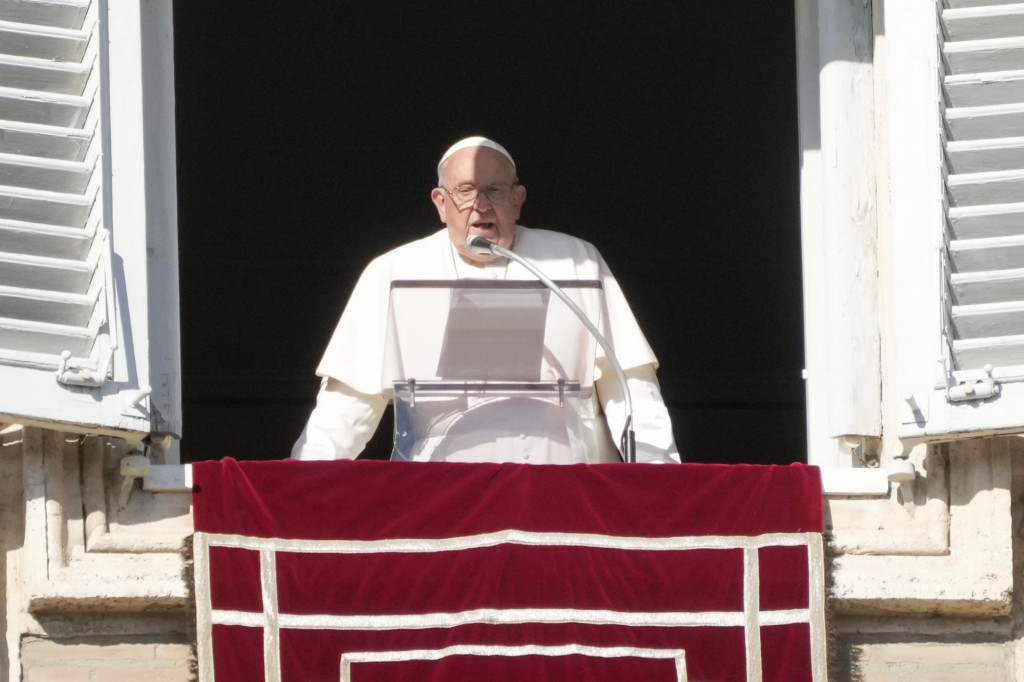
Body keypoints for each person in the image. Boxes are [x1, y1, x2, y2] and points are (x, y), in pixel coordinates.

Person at [291, 136, 679, 463]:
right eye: (464, 191)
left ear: (518, 199)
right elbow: (347, 407)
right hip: (442, 503)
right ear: (440, 204)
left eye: (495, 190)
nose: (480, 204)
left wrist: (661, 482)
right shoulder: (392, 272)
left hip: (563, 495)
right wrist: (298, 487)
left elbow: (630, 387)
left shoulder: (575, 261)